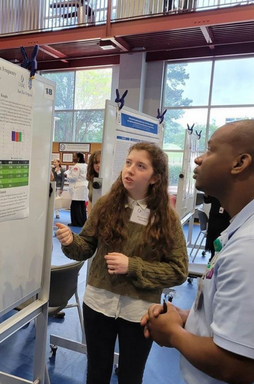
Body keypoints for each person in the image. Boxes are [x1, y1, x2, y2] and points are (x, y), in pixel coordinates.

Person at [141, 120, 254, 384]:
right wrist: (192, 319)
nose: (199, 160)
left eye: (210, 150)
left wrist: (172, 333)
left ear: (239, 163)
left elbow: (235, 365)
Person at [56, 143, 188, 384]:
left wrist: (134, 266)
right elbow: (85, 246)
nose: (130, 170)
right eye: (128, 163)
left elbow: (178, 271)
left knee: (130, 375)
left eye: (140, 166)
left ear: (155, 177)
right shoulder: (107, 205)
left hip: (139, 311)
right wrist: (70, 241)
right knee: (96, 372)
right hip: (98, 303)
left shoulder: (167, 219)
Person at [65, 152, 88, 227]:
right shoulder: (86, 165)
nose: (73, 158)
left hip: (77, 187)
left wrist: (67, 175)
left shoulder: (77, 166)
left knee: (75, 206)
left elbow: (74, 177)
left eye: (74, 156)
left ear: (78, 158)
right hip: (84, 187)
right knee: (82, 205)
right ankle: (82, 221)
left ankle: (76, 222)